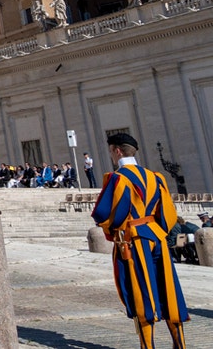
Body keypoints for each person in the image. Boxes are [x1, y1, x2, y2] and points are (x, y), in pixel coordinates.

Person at [92, 132, 188, 349]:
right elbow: (169, 215)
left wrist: (113, 229)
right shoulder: (156, 177)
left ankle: (148, 346)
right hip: (157, 238)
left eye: (111, 152)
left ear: (117, 151)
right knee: (168, 290)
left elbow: (105, 213)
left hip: (134, 241)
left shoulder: (119, 178)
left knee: (141, 292)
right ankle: (179, 344)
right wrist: (156, 229)